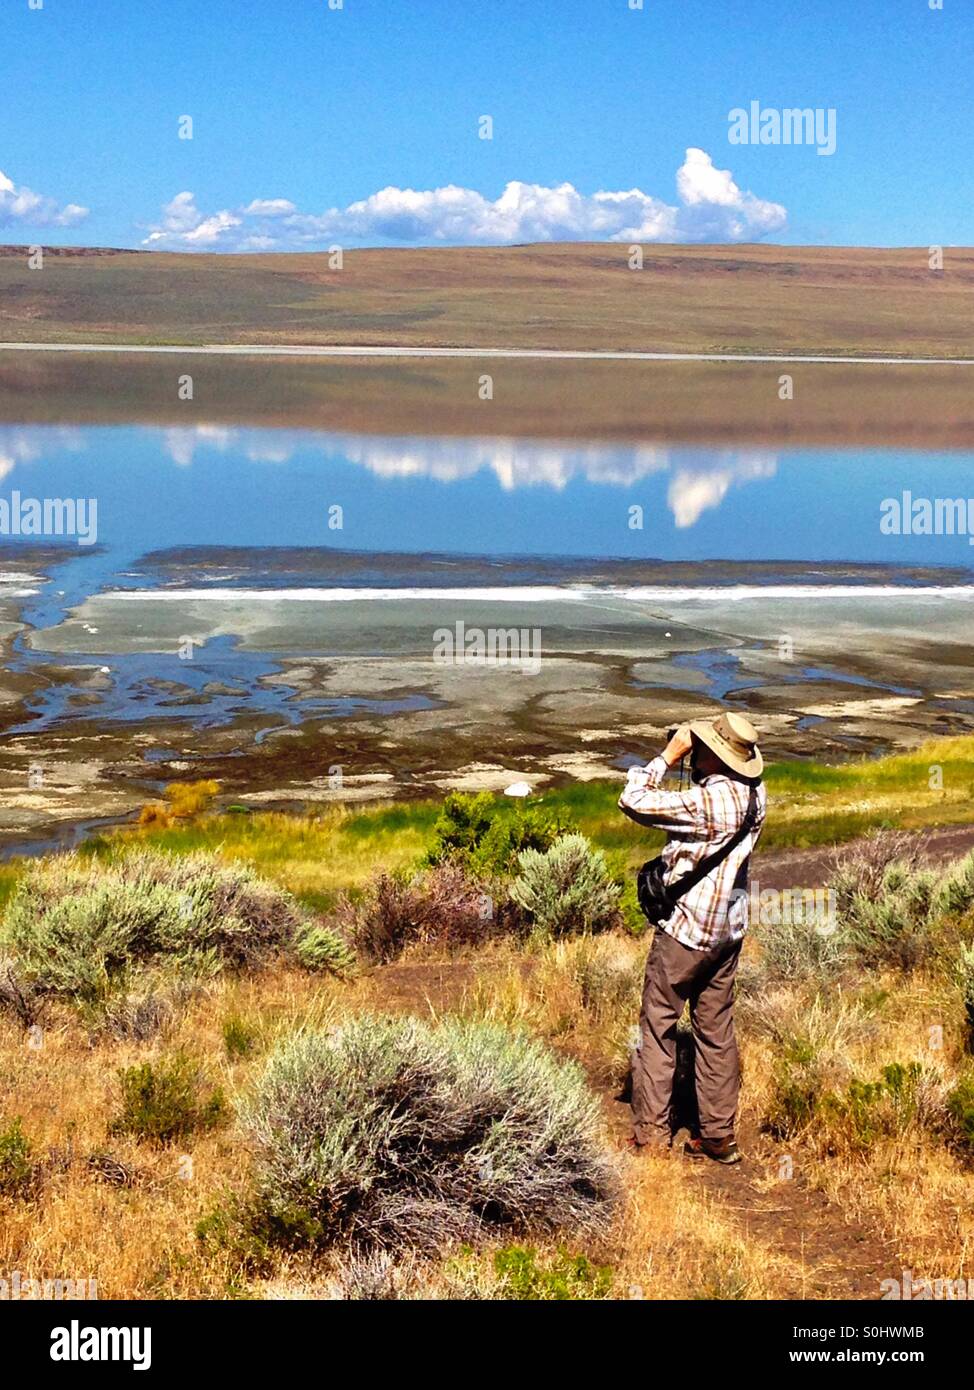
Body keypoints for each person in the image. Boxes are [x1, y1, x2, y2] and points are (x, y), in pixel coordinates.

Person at [618, 712, 766, 1164]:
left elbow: (632, 799)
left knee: (658, 1027)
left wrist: (668, 755)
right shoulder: (757, 795)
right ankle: (719, 1136)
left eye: (701, 747)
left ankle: (651, 1137)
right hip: (728, 931)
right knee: (716, 1029)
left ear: (713, 756)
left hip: (687, 931)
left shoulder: (707, 804)